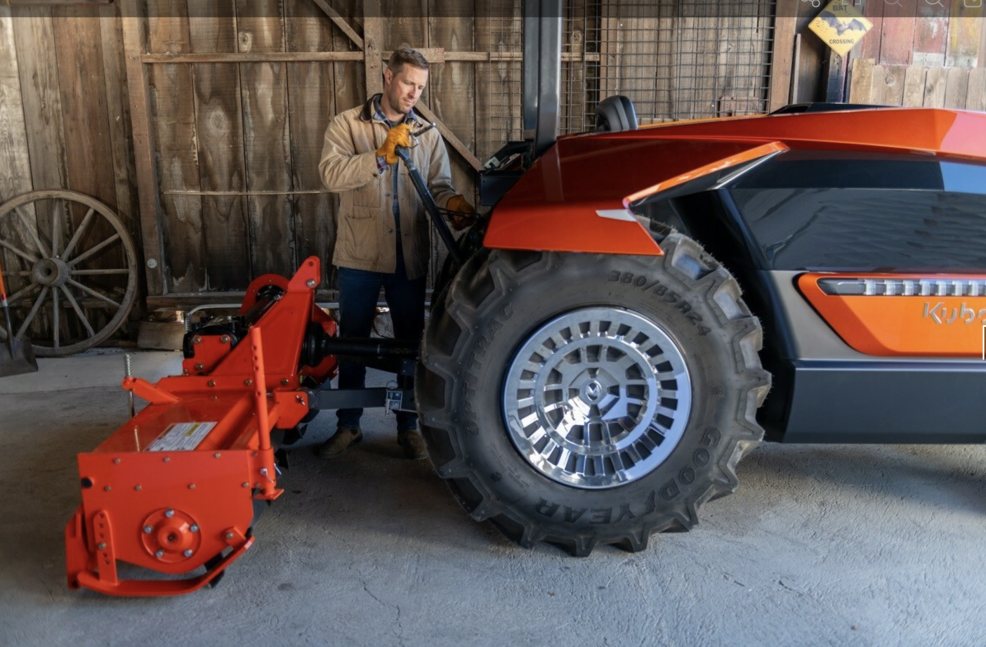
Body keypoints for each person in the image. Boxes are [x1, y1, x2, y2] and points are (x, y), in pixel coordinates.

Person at [315, 45, 475, 460]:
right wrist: (379, 157)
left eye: (420, 87)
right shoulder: (348, 124)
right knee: (351, 341)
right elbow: (330, 174)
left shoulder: (427, 133)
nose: (413, 94)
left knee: (410, 343)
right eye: (407, 83)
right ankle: (348, 426)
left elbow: (439, 186)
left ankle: (407, 427)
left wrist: (453, 204)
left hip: (409, 254)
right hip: (359, 254)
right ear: (387, 77)